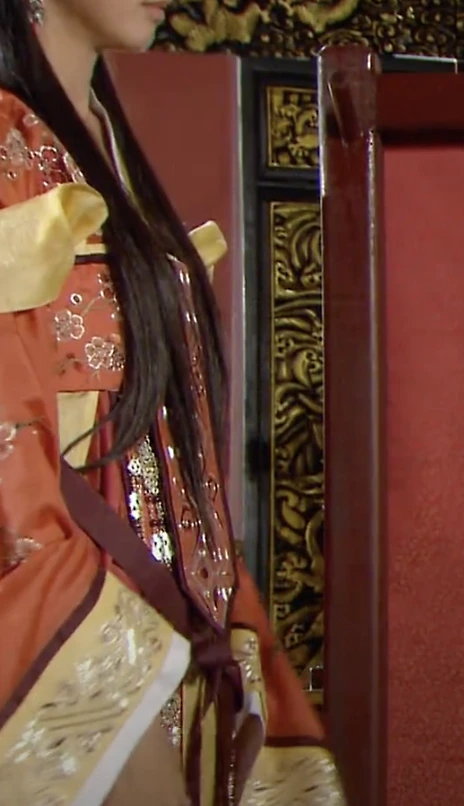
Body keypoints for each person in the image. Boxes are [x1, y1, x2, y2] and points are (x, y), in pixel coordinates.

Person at [0, 0, 345, 804]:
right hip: (70, 623)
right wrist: (104, 699)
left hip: (171, 613)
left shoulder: (96, 128)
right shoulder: (8, 141)